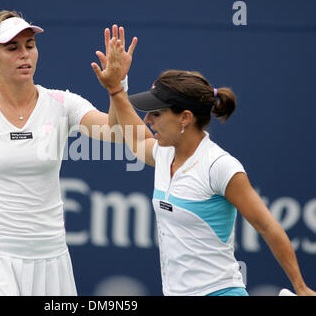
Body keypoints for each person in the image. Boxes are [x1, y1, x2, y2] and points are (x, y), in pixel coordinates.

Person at [0, 11, 137, 296]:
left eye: (30, 45)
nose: (24, 54)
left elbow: (118, 132)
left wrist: (117, 87)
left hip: (50, 259)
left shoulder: (63, 103)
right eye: (12, 48)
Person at [91, 27, 316, 296]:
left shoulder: (220, 166)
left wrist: (301, 288)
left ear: (185, 117)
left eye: (156, 114)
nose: (148, 120)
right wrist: (116, 87)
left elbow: (268, 226)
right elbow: (135, 137)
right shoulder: (164, 153)